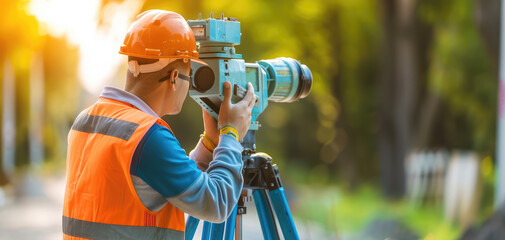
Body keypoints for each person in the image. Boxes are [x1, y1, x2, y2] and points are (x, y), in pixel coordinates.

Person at [62, 10, 255, 239]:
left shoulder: (86, 120)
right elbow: (217, 202)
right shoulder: (147, 135)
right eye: (189, 76)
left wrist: (210, 143)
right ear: (174, 77)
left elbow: (158, 180)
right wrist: (231, 134)